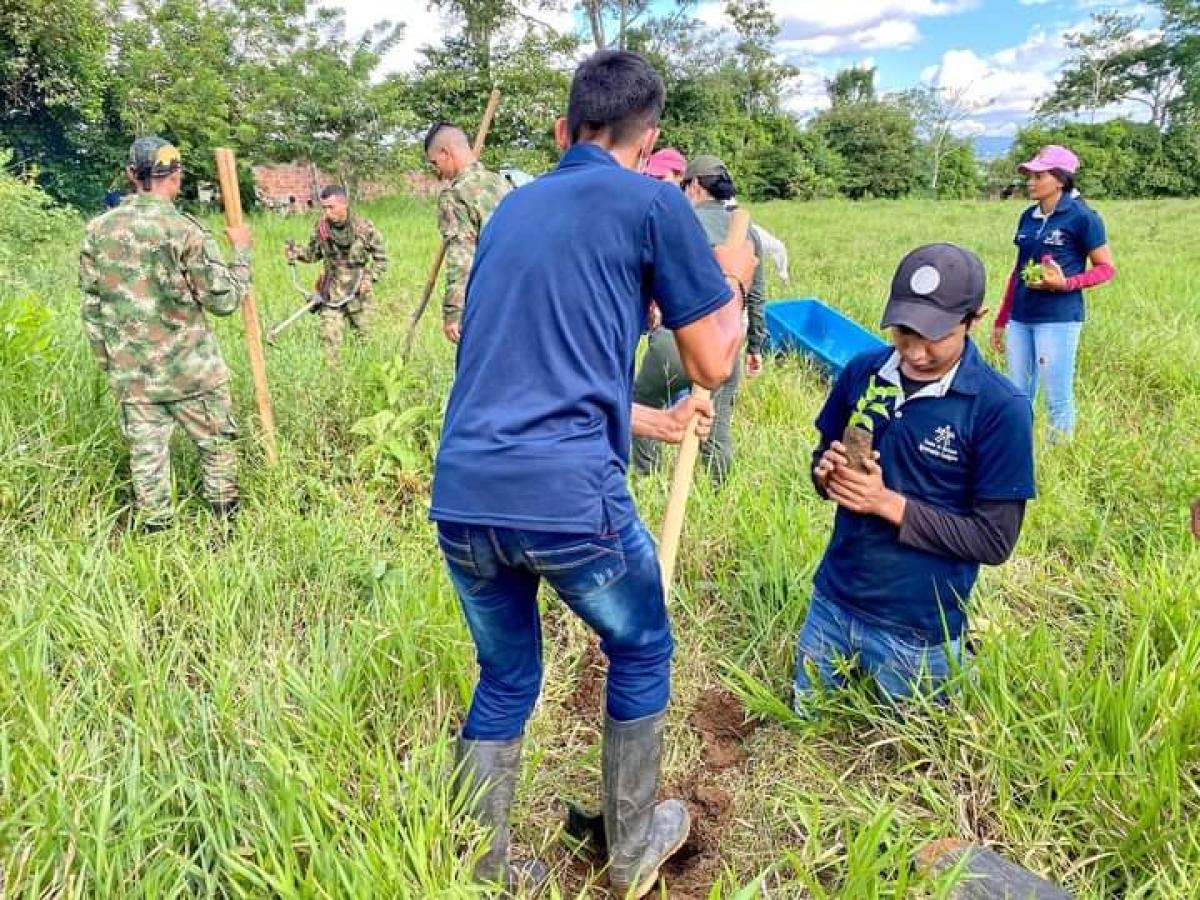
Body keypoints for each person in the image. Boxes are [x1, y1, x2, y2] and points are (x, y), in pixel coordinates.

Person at [430, 51, 756, 898]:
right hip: (567, 498)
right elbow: (715, 363)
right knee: (641, 642)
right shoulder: (653, 200)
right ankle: (632, 845)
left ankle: (482, 866)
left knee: (506, 673)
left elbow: (529, 362)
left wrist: (643, 415)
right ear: (650, 141)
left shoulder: (510, 209)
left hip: (463, 492)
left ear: (562, 129)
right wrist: (728, 284)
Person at [794, 244, 1035, 712]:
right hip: (833, 601)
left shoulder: (999, 409)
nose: (915, 351)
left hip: (918, 630)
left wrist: (886, 503)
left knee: (908, 756)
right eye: (904, 332)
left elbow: (994, 541)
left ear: (973, 319)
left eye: (934, 336)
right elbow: (824, 456)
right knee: (806, 722)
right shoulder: (864, 373)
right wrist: (827, 475)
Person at [80, 136, 253, 531]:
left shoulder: (97, 230)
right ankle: (226, 529)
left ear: (130, 175)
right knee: (217, 446)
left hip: (134, 373)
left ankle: (158, 533)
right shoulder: (184, 230)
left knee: (147, 459)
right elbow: (223, 300)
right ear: (175, 176)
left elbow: (91, 305)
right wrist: (241, 255)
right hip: (191, 370)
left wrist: (110, 363)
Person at [631, 154, 766, 485]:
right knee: (715, 425)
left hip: (678, 340)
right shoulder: (748, 232)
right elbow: (758, 295)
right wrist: (756, 346)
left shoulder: (681, 222)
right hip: (726, 344)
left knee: (643, 403)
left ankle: (648, 478)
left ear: (692, 186)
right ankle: (720, 493)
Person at [990, 145, 1115, 442]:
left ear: (1060, 179)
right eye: (1029, 176)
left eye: (1038, 175)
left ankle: (1059, 452)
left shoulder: (1083, 217)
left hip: (1057, 319)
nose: (1030, 182)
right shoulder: (1027, 217)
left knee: (1056, 394)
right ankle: (1018, 450)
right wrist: (1002, 319)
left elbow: (1106, 268)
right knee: (1017, 391)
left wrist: (1065, 284)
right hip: (1021, 317)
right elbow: (1017, 271)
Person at [424, 122, 512, 344]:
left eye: (435, 163)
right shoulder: (503, 182)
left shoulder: (455, 196)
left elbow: (462, 257)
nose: (438, 173)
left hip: (489, 298)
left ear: (446, 153)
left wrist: (454, 312)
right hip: (522, 291)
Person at [285, 186, 387, 360]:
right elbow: (312, 254)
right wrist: (297, 253)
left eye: (331, 207)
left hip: (358, 293)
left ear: (344, 204)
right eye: (324, 208)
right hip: (331, 292)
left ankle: (364, 374)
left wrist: (370, 279)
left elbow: (381, 258)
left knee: (365, 338)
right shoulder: (322, 229)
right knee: (330, 340)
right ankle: (334, 380)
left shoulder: (364, 229)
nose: (327, 212)